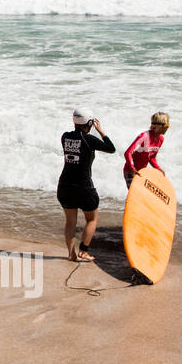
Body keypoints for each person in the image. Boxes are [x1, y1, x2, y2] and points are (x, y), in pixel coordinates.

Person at [58, 110, 115, 262]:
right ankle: (83, 251)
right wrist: (101, 131)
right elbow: (111, 148)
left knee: (70, 222)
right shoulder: (90, 139)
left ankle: (71, 254)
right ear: (89, 124)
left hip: (65, 185)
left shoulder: (65, 137)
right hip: (84, 187)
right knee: (92, 220)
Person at [124, 112, 169, 190]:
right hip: (130, 172)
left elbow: (152, 158)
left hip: (142, 173)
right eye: (166, 125)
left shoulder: (160, 139)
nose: (167, 128)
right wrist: (132, 167)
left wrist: (159, 169)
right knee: (136, 196)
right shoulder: (144, 136)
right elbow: (128, 152)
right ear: (158, 126)